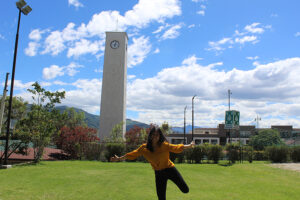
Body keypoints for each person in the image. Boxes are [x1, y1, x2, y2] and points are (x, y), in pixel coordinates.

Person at [110, 127, 195, 200]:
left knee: (185, 189)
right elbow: (132, 154)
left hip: (170, 170)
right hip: (159, 174)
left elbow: (176, 147)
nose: (155, 136)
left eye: (157, 135)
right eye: (153, 134)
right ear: (150, 136)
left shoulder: (164, 145)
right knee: (161, 198)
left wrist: (190, 145)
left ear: (159, 136)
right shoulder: (144, 148)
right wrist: (119, 158)